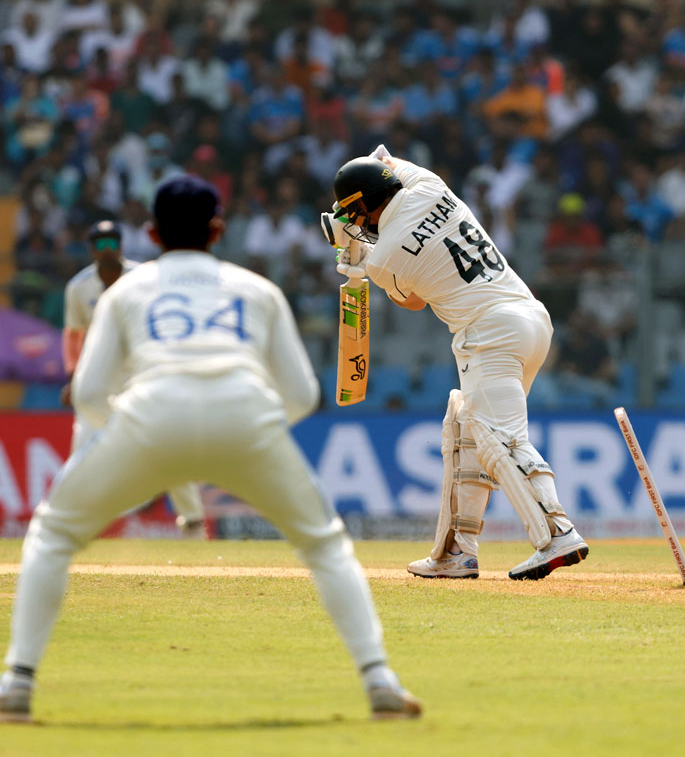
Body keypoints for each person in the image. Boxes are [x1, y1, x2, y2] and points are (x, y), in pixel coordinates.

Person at [0, 178, 420, 722]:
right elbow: (301, 395)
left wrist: (129, 438)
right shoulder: (255, 289)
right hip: (245, 417)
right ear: (218, 230)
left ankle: (17, 684)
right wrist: (252, 434)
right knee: (325, 545)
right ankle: (379, 680)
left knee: (53, 536)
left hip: (148, 417)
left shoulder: (126, 291)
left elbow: (87, 394)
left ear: (151, 234)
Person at [320, 147, 588, 581]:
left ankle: (557, 532)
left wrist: (352, 256)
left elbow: (413, 301)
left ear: (365, 205)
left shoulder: (385, 258)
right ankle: (456, 552)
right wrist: (354, 226)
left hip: (489, 333)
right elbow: (383, 157)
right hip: (530, 319)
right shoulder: (430, 184)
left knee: (498, 437)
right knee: (464, 428)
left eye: (354, 214)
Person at [61, 220, 208, 538]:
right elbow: (73, 335)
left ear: (122, 245)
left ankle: (194, 522)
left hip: (143, 375)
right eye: (100, 244)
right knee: (82, 448)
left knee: (166, 445)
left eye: (112, 242)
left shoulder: (144, 279)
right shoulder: (79, 287)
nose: (108, 249)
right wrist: (74, 376)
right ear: (91, 250)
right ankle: (64, 524)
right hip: (100, 378)